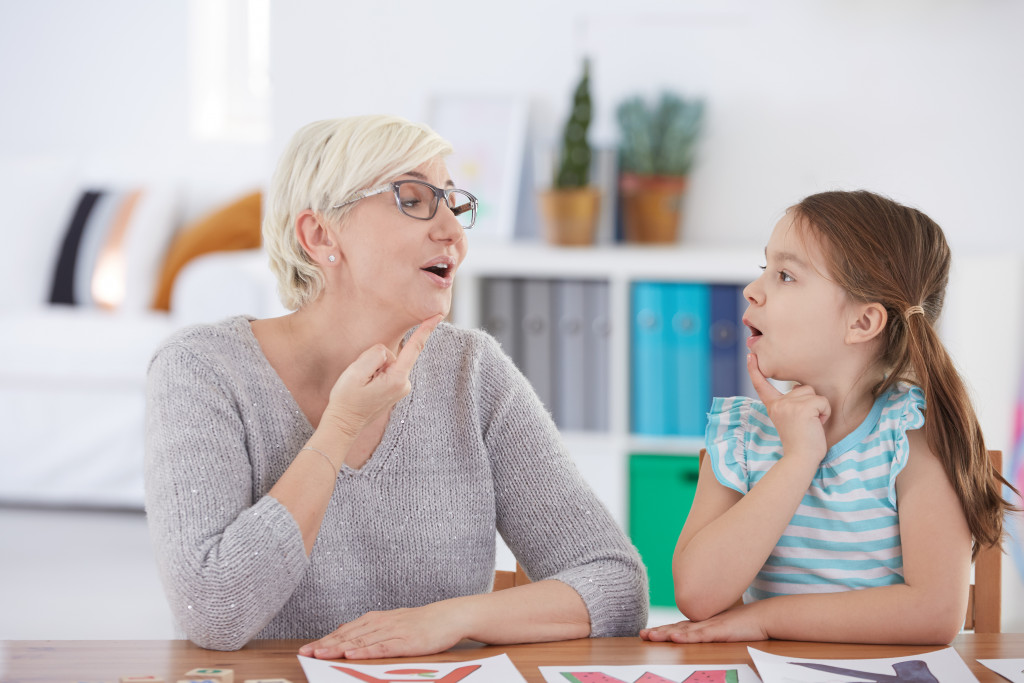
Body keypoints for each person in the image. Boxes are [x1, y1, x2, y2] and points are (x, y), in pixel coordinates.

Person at [145, 114, 647, 657]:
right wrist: (340, 428)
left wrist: (450, 620)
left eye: (453, 203)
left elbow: (616, 586)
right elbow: (215, 611)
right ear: (320, 235)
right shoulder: (202, 370)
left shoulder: (471, 372)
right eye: (413, 198)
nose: (453, 231)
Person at [641, 190, 1019, 645]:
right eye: (765, 269)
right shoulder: (743, 436)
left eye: (785, 275)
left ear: (862, 323)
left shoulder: (912, 436)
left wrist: (764, 619)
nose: (752, 290)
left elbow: (934, 612)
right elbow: (698, 595)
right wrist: (797, 459)